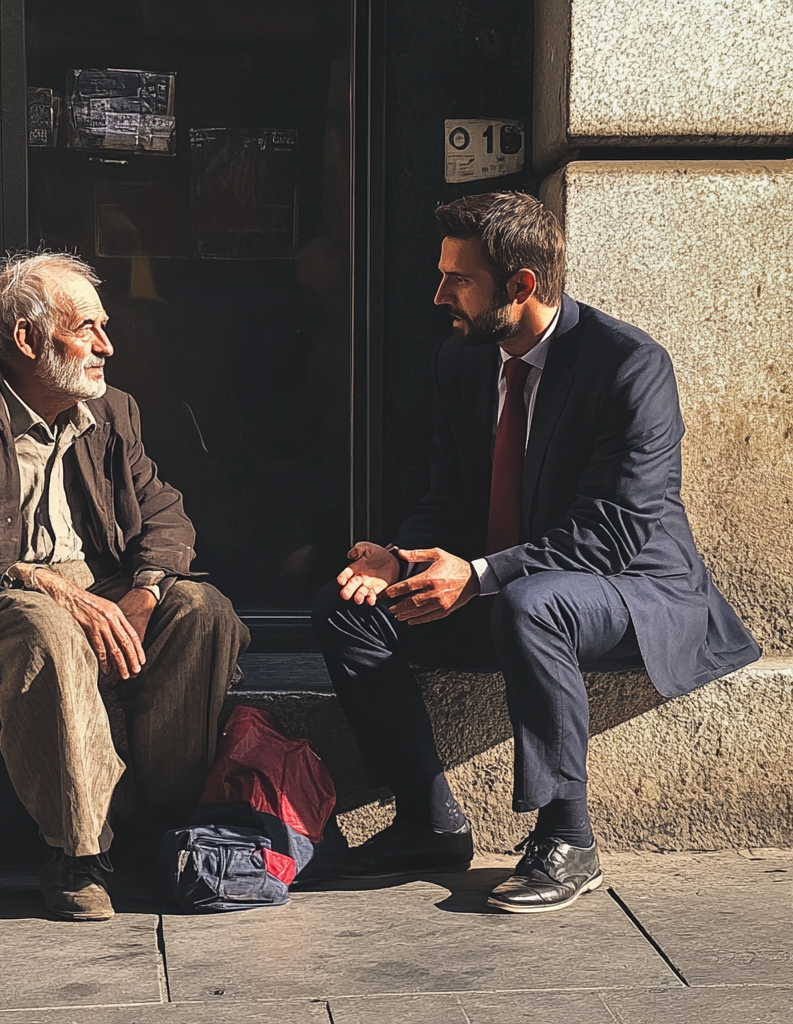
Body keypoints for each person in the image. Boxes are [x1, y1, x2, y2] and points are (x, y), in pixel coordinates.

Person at [312, 192, 759, 913]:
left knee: (531, 599)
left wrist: (480, 576)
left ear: (520, 286)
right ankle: (429, 820)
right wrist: (399, 559)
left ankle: (569, 838)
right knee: (350, 606)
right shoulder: (461, 364)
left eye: (457, 280)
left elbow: (615, 528)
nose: (438, 296)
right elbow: (448, 497)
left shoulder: (629, 365)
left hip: (633, 590)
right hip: (514, 593)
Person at [0, 252, 248, 921]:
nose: (107, 345)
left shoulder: (114, 412)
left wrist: (148, 588)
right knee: (42, 625)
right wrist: (43, 583)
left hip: (102, 592)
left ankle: (166, 825)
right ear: (27, 339)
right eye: (88, 329)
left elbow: (164, 512)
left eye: (104, 328)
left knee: (200, 608)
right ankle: (78, 854)